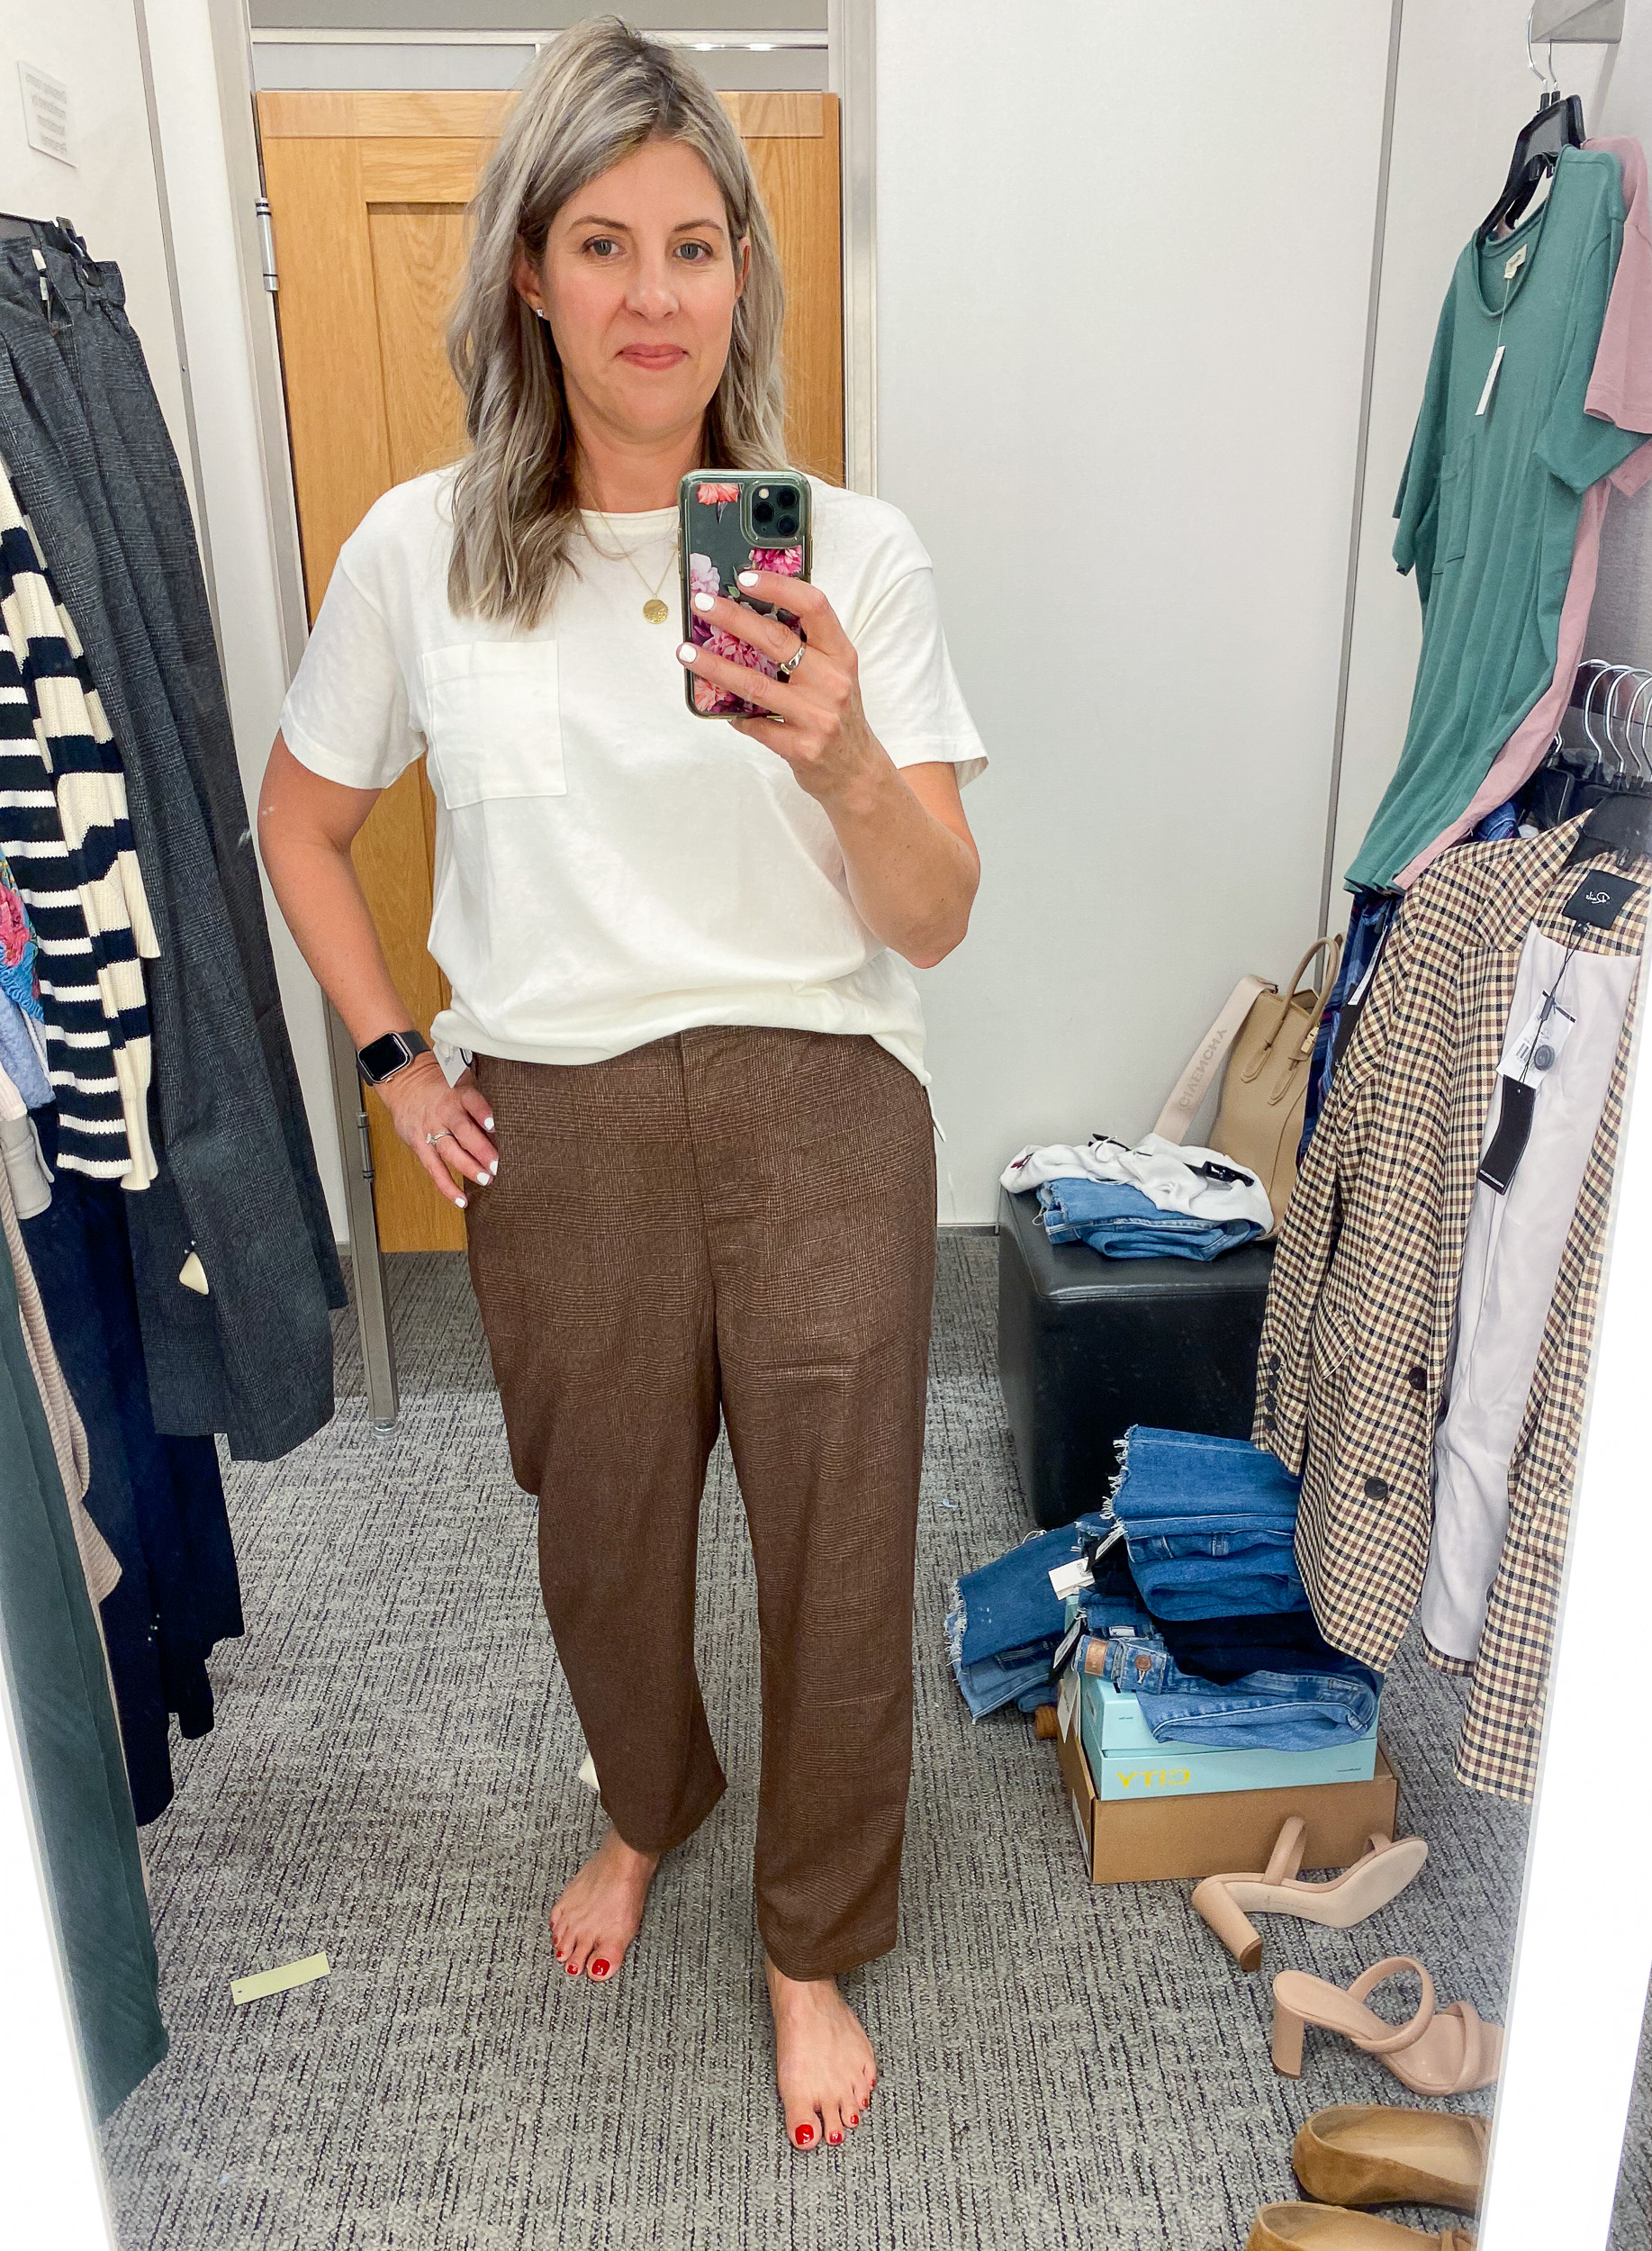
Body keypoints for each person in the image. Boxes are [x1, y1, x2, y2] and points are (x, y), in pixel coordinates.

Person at [257, 18, 984, 2152]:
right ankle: (647, 1800)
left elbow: (934, 913)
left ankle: (807, 1934)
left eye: (692, 244)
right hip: (555, 1118)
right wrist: (393, 1057)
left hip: (821, 1096)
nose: (652, 294)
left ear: (744, 273)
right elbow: (299, 820)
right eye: (602, 243)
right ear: (530, 274)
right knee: (600, 1531)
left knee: (838, 1542)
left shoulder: (849, 555)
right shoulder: (419, 550)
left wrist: (844, 758)